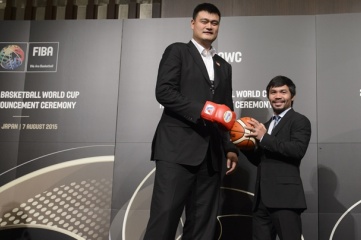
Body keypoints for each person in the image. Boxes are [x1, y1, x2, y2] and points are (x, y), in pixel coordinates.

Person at [143, 3, 239, 240]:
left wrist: (230, 147)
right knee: (164, 219)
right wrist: (203, 109)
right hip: (177, 150)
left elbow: (226, 110)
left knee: (202, 226)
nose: (209, 26)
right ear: (193, 23)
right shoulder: (177, 51)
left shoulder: (223, 66)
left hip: (212, 155)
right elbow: (164, 92)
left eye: (214, 23)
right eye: (204, 21)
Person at [244, 75, 311, 240]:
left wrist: (264, 138)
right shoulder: (265, 126)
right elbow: (260, 160)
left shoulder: (299, 121)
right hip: (261, 201)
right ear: (268, 96)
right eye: (273, 92)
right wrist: (244, 145)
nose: (278, 96)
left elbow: (297, 150)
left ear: (292, 96)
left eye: (283, 92)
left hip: (285, 199)